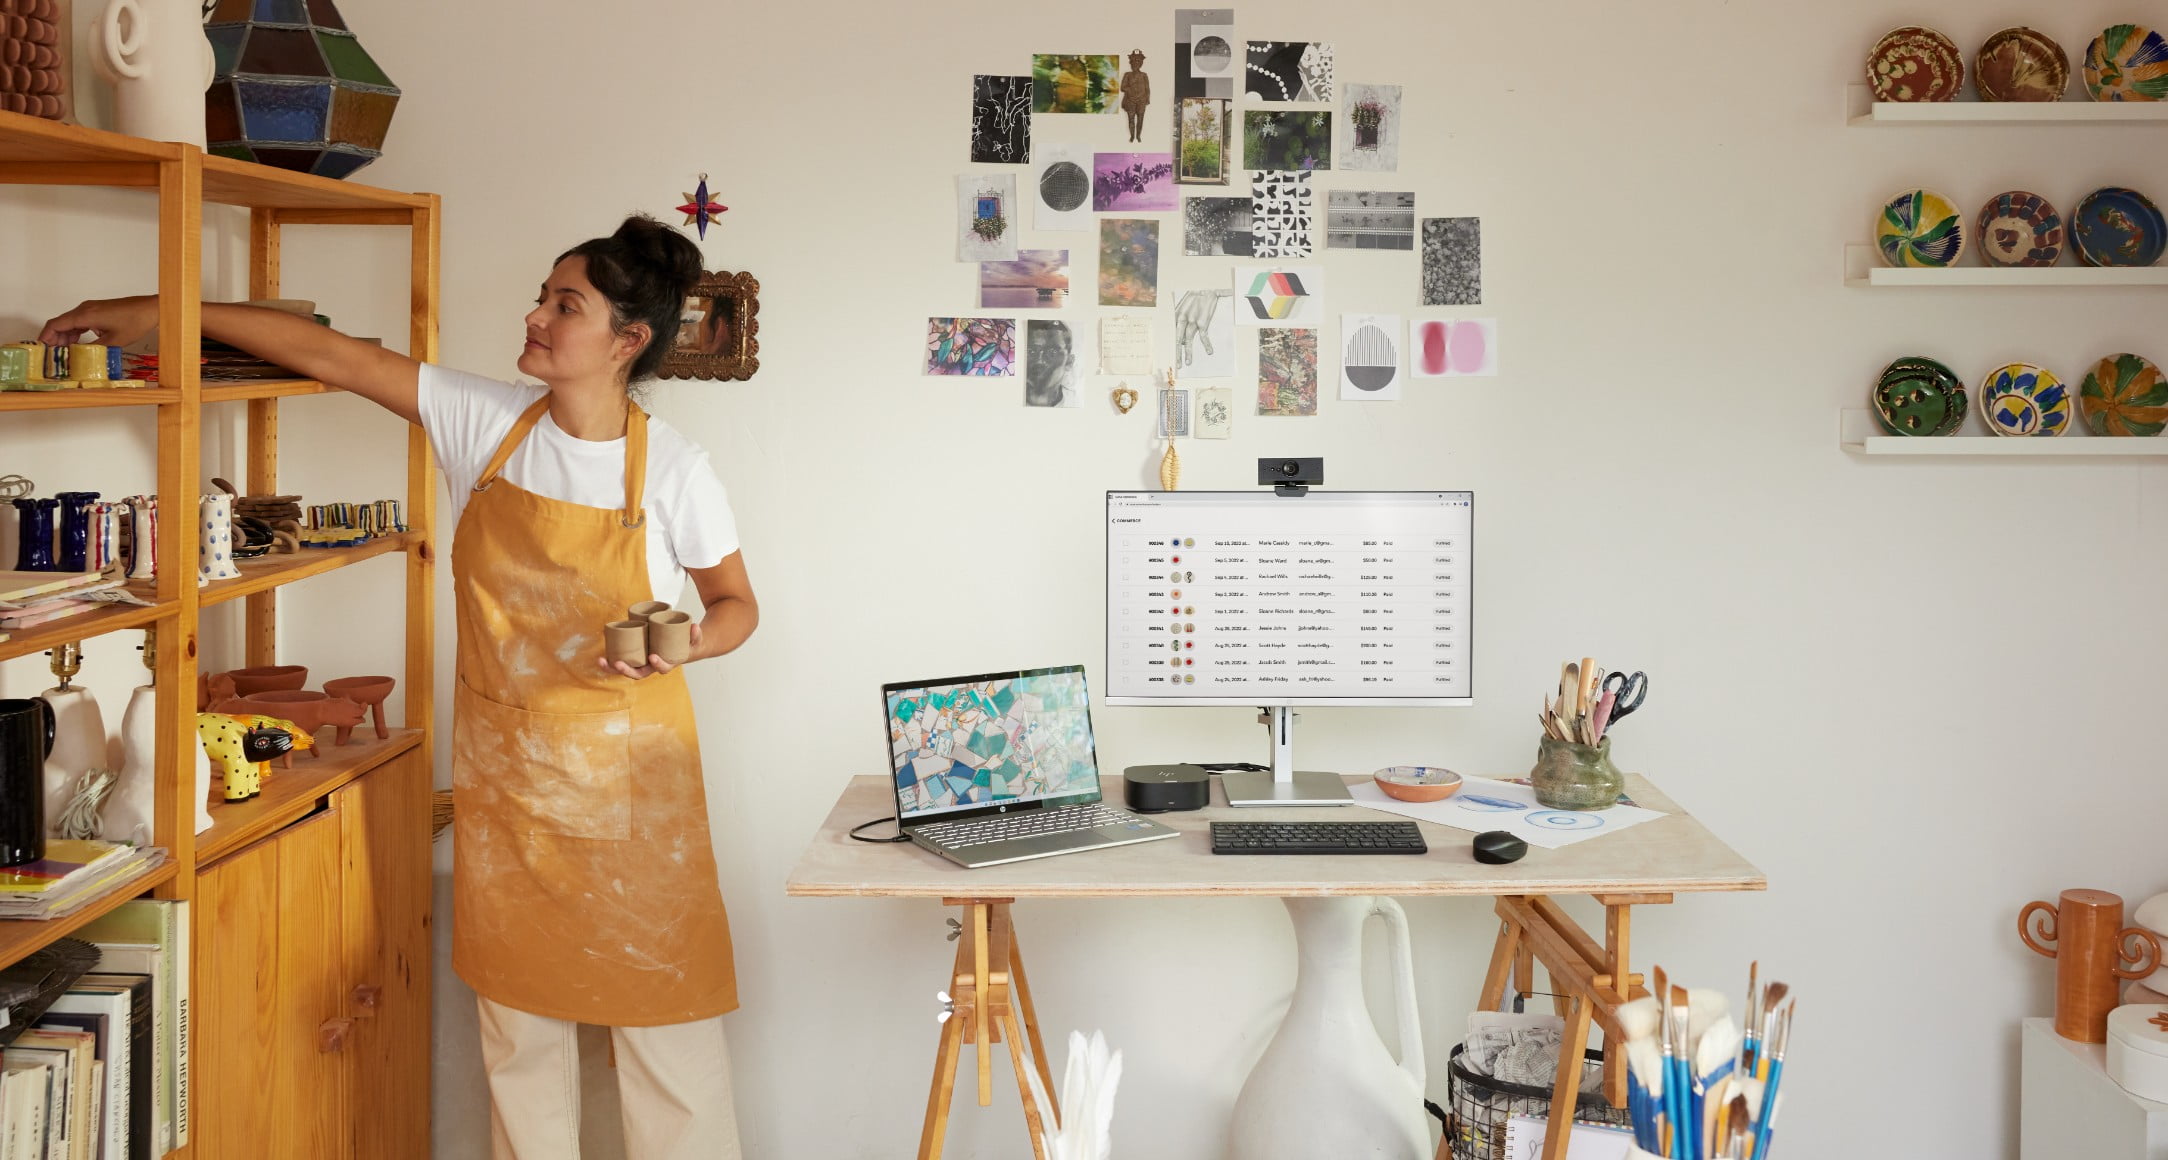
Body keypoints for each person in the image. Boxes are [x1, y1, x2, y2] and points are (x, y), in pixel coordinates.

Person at [40, 214, 756, 1160]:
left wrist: (684, 644)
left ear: (628, 341)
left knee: (672, 1059)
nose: (536, 314)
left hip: (638, 798)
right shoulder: (489, 425)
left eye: (564, 304)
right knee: (521, 1056)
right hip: (514, 798)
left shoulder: (673, 469)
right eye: (544, 294)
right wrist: (146, 312)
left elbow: (736, 605)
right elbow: (329, 355)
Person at [1119, 49, 1150, 144]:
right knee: (1131, 119)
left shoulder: (1144, 75)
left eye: (1138, 62)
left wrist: (1147, 99)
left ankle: (1138, 136)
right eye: (1134, 62)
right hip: (1130, 100)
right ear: (1131, 63)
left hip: (1141, 100)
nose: (1135, 64)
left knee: (1140, 119)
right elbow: (1123, 87)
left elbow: (1147, 88)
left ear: (1141, 64)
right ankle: (1132, 136)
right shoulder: (1127, 75)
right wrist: (1129, 90)